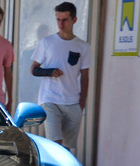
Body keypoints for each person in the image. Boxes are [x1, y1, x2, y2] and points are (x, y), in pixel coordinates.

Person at [30, 1, 92, 153]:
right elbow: (33, 69)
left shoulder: (83, 46)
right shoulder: (47, 42)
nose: (61, 23)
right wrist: (49, 72)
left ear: (74, 20)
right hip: (50, 99)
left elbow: (85, 77)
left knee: (66, 150)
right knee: (55, 145)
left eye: (64, 20)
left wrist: (81, 104)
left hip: (72, 102)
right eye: (58, 19)